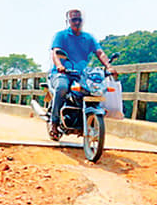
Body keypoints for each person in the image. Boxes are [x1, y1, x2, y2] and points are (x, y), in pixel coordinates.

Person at [47, 9, 117, 139]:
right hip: (63, 73)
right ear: (68, 21)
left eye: (79, 19)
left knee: (95, 90)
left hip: (82, 75)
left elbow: (100, 53)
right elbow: (55, 52)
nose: (77, 22)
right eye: (74, 19)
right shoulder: (61, 36)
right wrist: (60, 66)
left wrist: (109, 66)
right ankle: (54, 122)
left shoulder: (88, 38)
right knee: (62, 88)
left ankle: (85, 119)